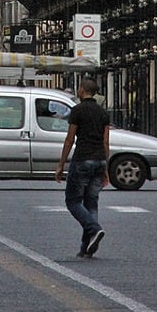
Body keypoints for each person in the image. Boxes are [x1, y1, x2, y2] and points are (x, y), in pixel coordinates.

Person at [55, 78, 110, 258]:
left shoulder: (77, 111)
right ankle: (86, 247)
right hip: (100, 160)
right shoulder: (103, 113)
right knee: (91, 203)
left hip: (83, 159)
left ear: (82, 90)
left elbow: (70, 139)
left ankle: (94, 229)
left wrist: (61, 164)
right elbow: (106, 142)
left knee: (73, 201)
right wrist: (106, 169)